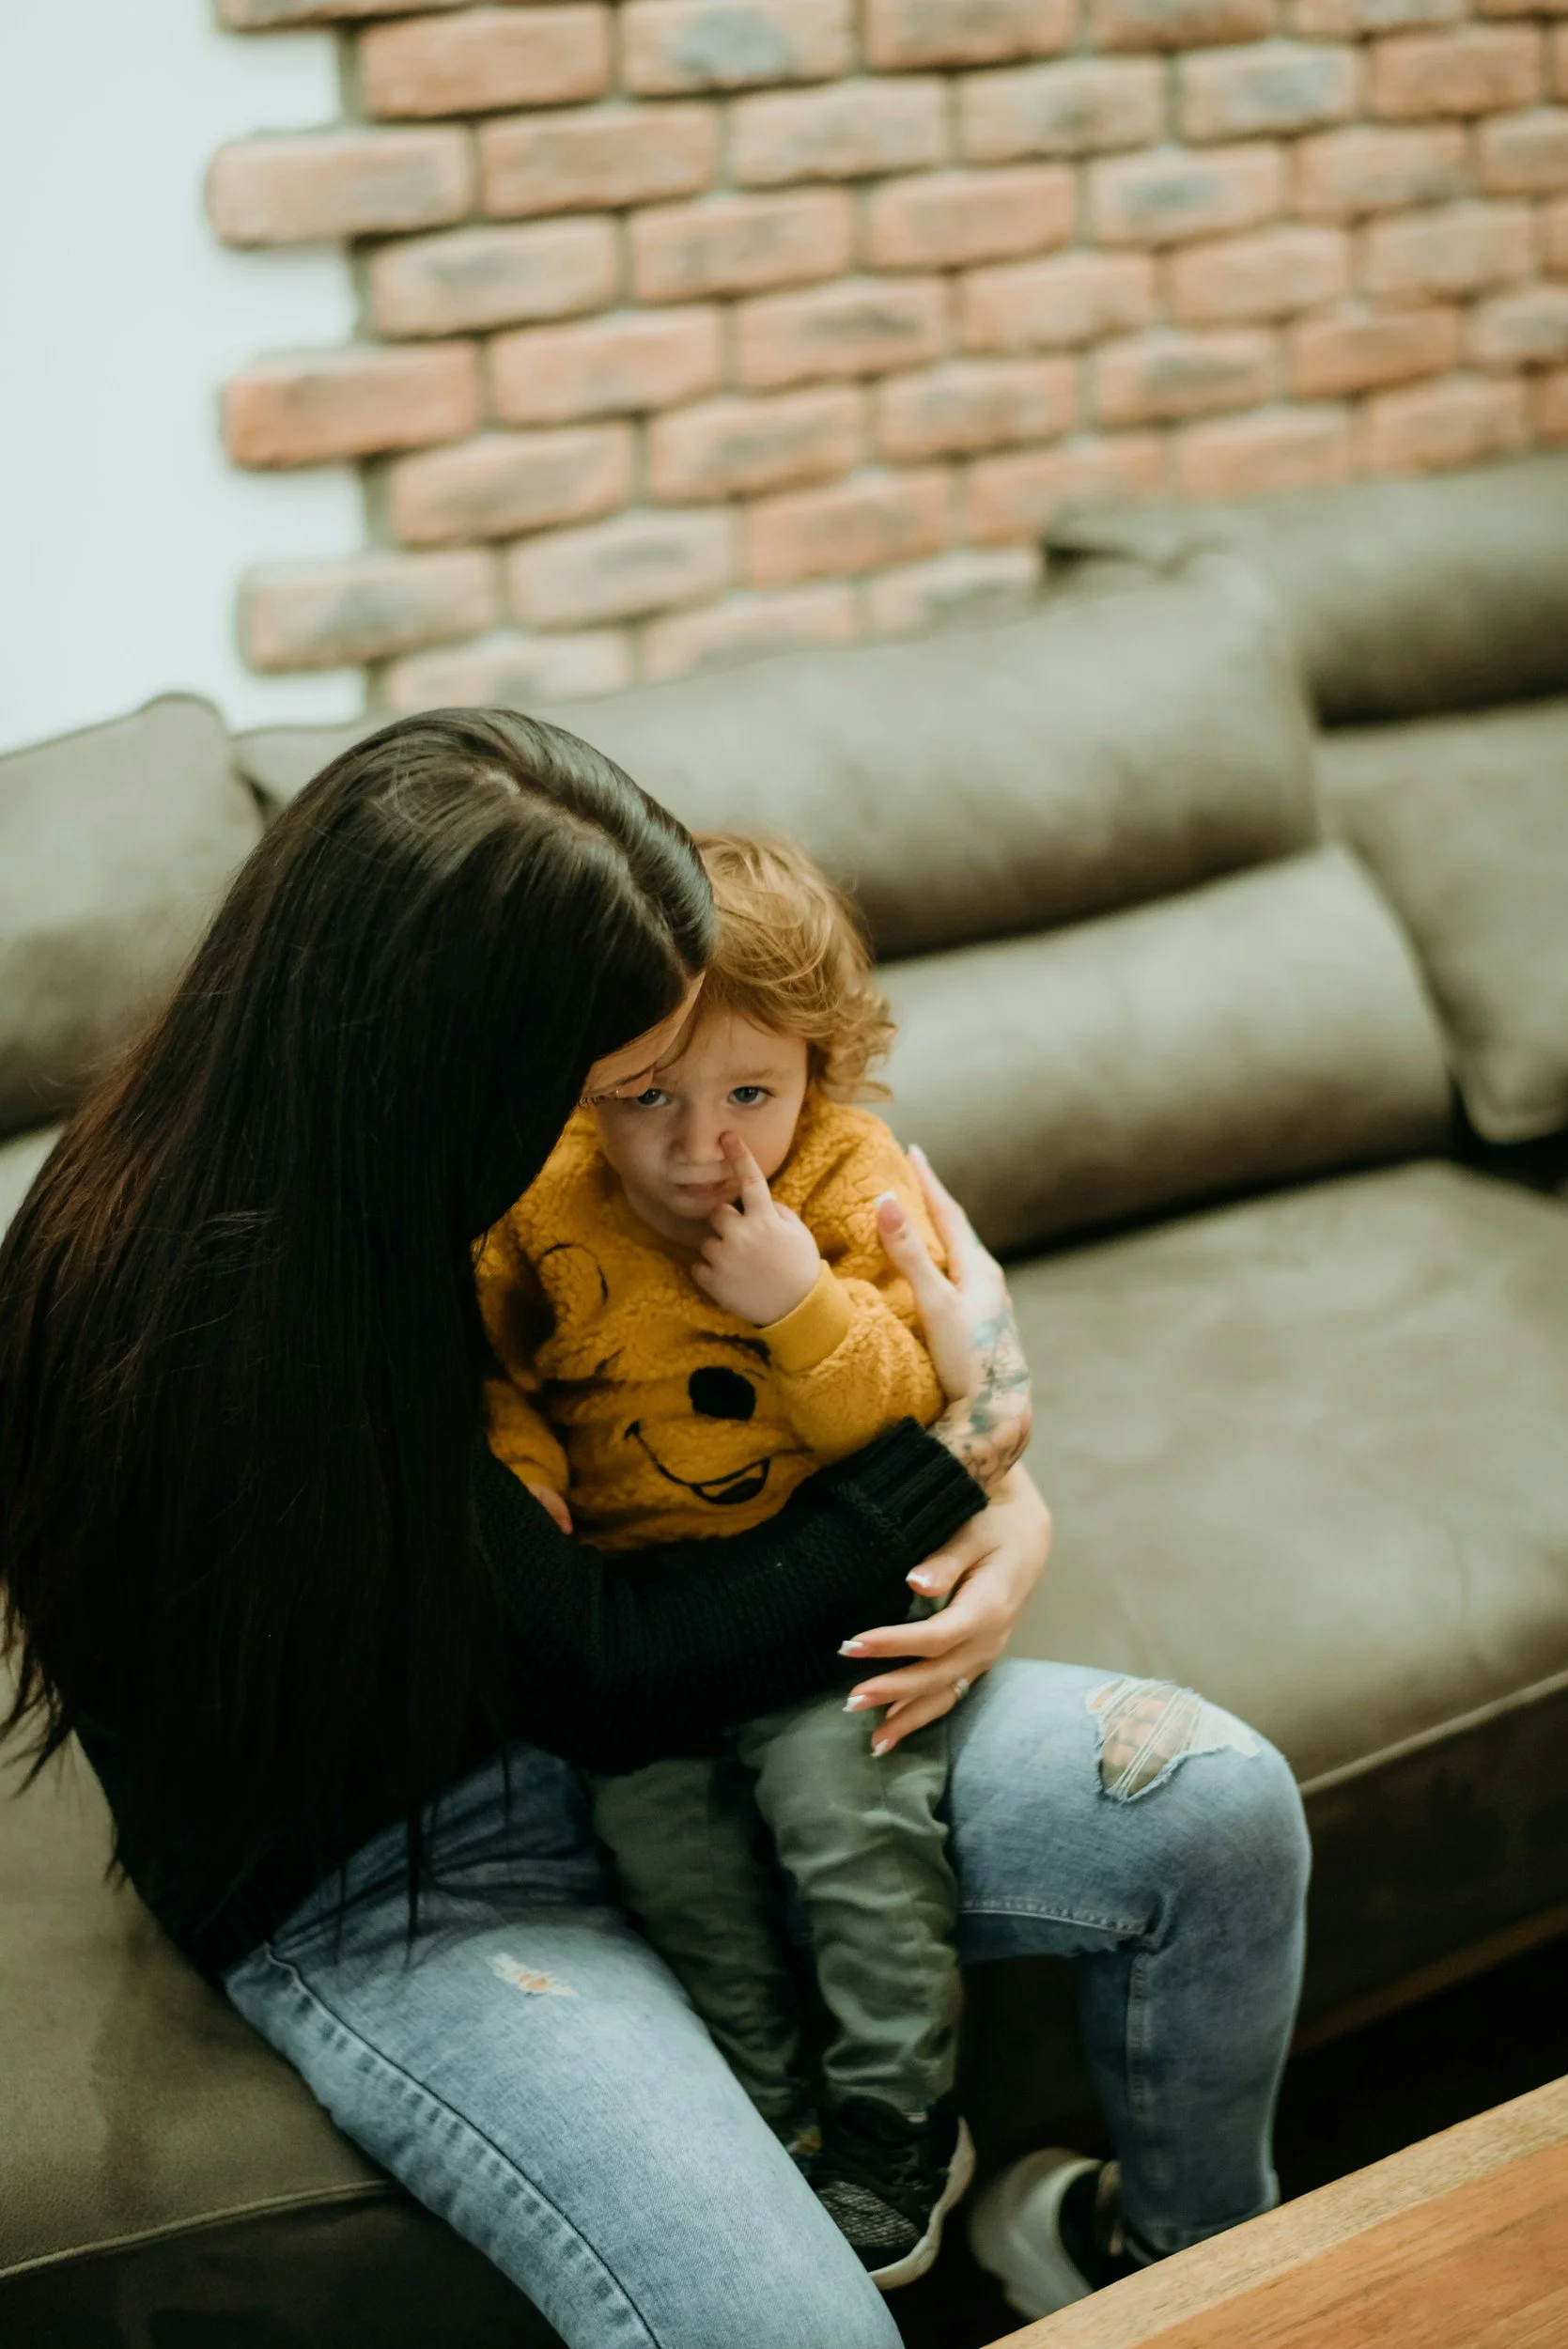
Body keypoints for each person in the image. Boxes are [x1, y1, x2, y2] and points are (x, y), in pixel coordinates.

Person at [0, 710, 1310, 2349]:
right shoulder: (224, 1315)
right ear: (461, 1063)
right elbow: (606, 1677)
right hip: (417, 1876)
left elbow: (829, 1389)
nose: (683, 1146)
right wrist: (956, 1466)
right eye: (616, 1080)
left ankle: (1164, 2264)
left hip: (693, 1686)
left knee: (1215, 1810)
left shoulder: (479, 1173)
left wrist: (996, 1491)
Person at [477, 832, 980, 2286]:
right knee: (663, 1854)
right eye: (650, 1097)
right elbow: (494, 1374)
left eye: (751, 1093)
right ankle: (769, 2115)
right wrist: (524, 1476)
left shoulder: (841, 1177)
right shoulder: (542, 1197)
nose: (706, 1147)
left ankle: (896, 2123)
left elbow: (907, 1418)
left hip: (824, 1598)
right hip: (635, 1623)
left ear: (818, 1065)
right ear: (591, 1079)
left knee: (853, 1830)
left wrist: (798, 1302)